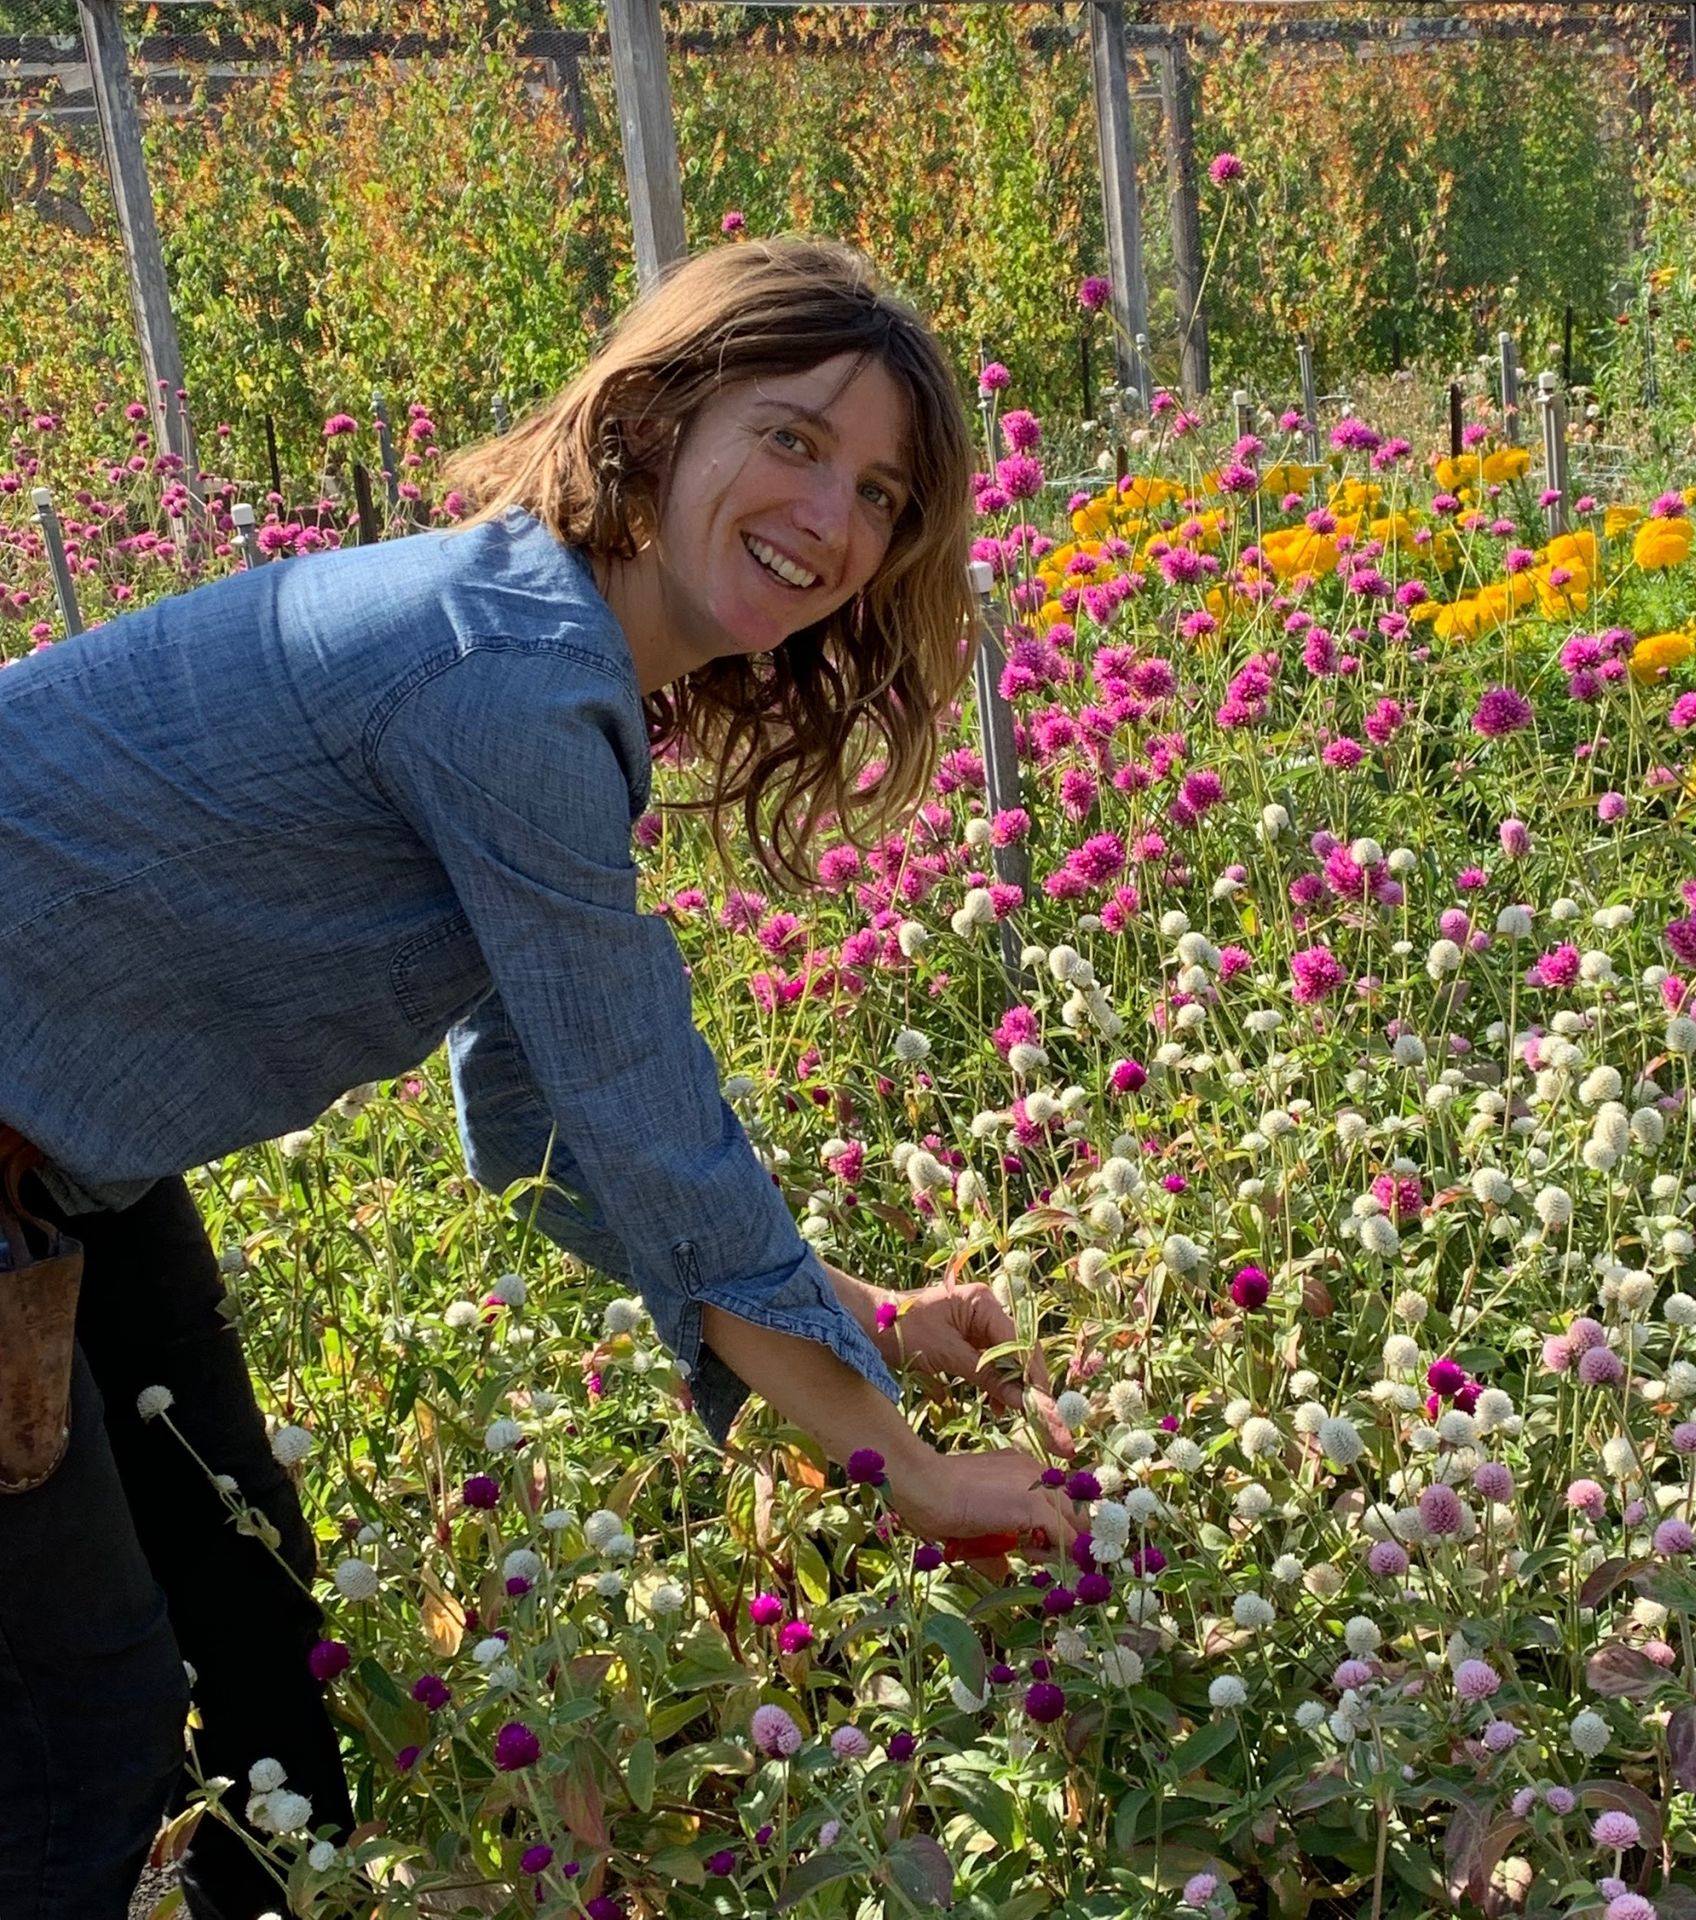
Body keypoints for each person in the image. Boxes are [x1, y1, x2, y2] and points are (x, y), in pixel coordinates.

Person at [0, 234, 1084, 1920]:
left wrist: (850, 1313)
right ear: (658, 418)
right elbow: (651, 1128)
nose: (831, 517)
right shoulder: (506, 677)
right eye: (791, 437)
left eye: (878, 493)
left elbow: (530, 1131)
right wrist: (918, 1479)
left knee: (254, 1609)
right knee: (81, 1721)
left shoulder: (543, 650)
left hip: (64, 1167)